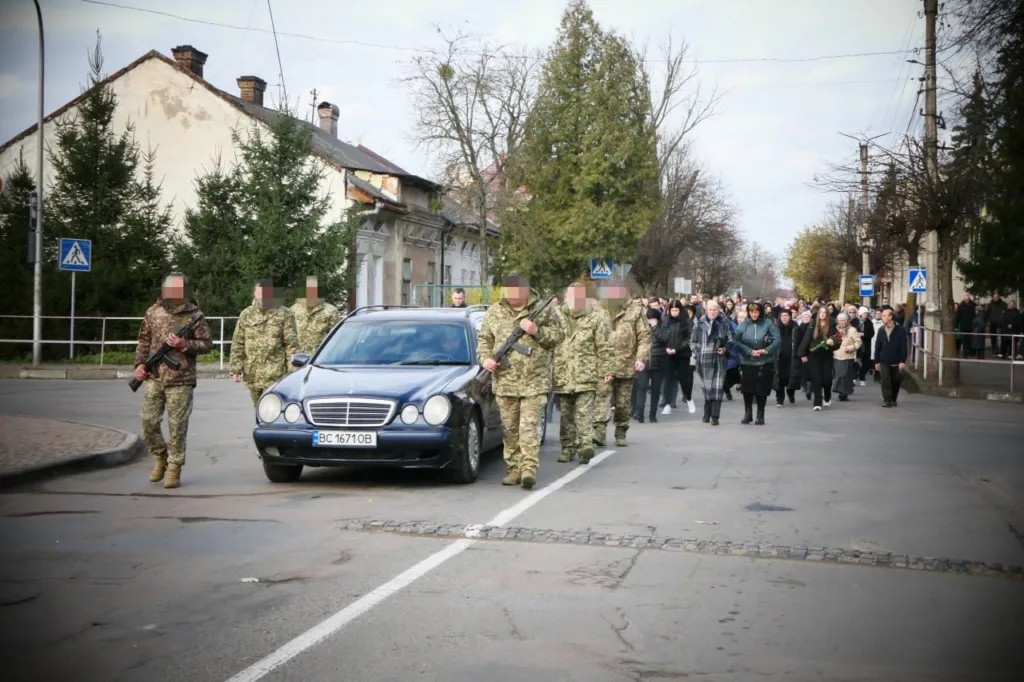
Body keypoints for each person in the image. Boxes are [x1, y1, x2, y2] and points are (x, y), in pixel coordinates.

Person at [476, 274, 564, 489]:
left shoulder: (543, 310)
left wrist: (536, 331)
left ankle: (528, 469)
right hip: (505, 381)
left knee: (529, 427)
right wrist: (485, 359)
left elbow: (559, 336)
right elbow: (484, 339)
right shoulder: (495, 311)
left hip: (534, 381)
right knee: (510, 429)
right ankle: (514, 468)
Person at [134, 273, 212, 489]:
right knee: (148, 421)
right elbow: (144, 340)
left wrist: (184, 345)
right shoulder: (153, 312)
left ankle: (174, 467)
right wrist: (140, 365)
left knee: (177, 426)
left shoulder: (195, 315)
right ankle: (161, 457)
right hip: (155, 376)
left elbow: (207, 344)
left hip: (181, 378)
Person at [552, 281, 613, 465]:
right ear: (565, 297)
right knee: (566, 415)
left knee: (584, 412)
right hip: (562, 374)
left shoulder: (595, 318)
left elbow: (604, 346)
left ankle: (585, 445)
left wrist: (607, 369)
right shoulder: (555, 316)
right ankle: (567, 448)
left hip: (585, 373)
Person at [594, 279, 650, 447]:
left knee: (622, 403)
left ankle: (621, 431)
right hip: (603, 364)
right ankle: (599, 432)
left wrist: (641, 358)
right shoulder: (599, 309)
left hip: (626, 364)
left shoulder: (635, 311)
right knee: (601, 398)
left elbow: (644, 336)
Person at [230, 279, 300, 406]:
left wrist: (293, 371)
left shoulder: (284, 313)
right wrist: (236, 368)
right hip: (253, 373)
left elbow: (291, 345)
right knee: (258, 409)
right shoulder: (246, 314)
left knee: (275, 409)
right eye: (259, 292)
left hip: (276, 374)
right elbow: (238, 342)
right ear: (254, 293)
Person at [733, 301, 782, 425]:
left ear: (760, 312)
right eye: (752, 312)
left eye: (756, 312)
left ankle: (760, 414)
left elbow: (777, 339)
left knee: (762, 389)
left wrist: (765, 350)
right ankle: (748, 413)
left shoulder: (768, 323)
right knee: (747, 389)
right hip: (748, 361)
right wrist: (749, 351)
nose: (754, 314)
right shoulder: (743, 325)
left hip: (765, 361)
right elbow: (736, 341)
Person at [690, 298, 733, 425]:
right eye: (710, 310)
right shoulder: (699, 323)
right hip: (703, 360)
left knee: (718, 388)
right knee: (707, 388)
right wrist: (698, 351)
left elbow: (731, 340)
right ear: (706, 310)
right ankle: (707, 413)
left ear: (718, 310)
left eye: (715, 309)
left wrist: (725, 349)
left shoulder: (724, 323)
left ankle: (715, 417)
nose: (712, 312)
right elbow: (692, 341)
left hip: (719, 359)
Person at [798, 306, 839, 411]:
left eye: (824, 312)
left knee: (827, 379)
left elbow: (837, 340)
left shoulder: (832, 326)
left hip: (826, 356)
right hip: (814, 355)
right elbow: (807, 339)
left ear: (827, 314)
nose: (822, 314)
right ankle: (817, 402)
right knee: (816, 379)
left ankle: (827, 395)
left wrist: (833, 343)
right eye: (821, 312)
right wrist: (802, 353)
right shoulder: (813, 325)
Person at [658, 300, 695, 415]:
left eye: (676, 310)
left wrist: (677, 349)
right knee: (667, 380)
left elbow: (689, 338)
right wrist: (665, 348)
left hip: (682, 355)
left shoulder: (687, 322)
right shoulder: (665, 320)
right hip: (668, 354)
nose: (674, 313)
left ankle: (689, 399)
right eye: (672, 310)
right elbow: (661, 336)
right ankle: (667, 404)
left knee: (684, 380)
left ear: (680, 310)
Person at [290, 275, 342, 355]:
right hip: (298, 358)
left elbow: (336, 338)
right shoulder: (293, 310)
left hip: (320, 357)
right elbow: (288, 337)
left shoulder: (330, 311)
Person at [874, 307, 909, 407]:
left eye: (884, 315)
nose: (882, 317)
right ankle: (887, 399)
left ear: (890, 317)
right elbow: (878, 346)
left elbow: (903, 346)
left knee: (895, 380)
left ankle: (893, 398)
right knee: (885, 379)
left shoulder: (900, 330)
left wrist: (902, 361)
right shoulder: (881, 330)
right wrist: (877, 361)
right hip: (884, 359)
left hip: (896, 359)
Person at [831, 312, 863, 402]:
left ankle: (844, 393)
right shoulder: (834, 329)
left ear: (847, 321)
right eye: (840, 320)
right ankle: (840, 391)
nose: (841, 322)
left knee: (845, 375)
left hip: (847, 356)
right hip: (836, 355)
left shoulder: (852, 330)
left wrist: (851, 348)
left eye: (843, 320)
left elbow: (858, 342)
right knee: (839, 374)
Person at [774, 309, 796, 406]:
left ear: (790, 317)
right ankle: (780, 398)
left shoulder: (795, 327)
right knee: (780, 378)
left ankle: (791, 393)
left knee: (791, 377)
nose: (784, 317)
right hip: (779, 357)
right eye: (782, 315)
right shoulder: (775, 328)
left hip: (792, 357)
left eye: (786, 315)